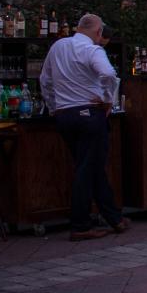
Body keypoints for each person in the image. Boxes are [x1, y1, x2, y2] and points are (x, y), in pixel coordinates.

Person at [40, 13, 126, 241]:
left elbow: (45, 80)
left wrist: (52, 106)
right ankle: (80, 225)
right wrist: (108, 100)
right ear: (99, 32)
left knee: (89, 165)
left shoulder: (58, 46)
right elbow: (108, 74)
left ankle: (113, 217)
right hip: (89, 114)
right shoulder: (92, 50)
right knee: (87, 168)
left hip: (65, 115)